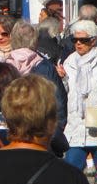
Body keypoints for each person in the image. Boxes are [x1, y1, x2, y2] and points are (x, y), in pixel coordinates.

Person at [4, 20, 68, 155]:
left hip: (11, 136)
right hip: (41, 138)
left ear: (13, 39)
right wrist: (56, 131)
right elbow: (59, 102)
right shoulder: (45, 66)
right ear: (35, 41)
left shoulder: (4, 67)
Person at [59, 20, 97, 172]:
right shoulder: (69, 61)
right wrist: (62, 79)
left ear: (93, 40)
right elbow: (66, 93)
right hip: (75, 126)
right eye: (75, 40)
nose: (78, 43)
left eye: (84, 40)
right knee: (70, 174)